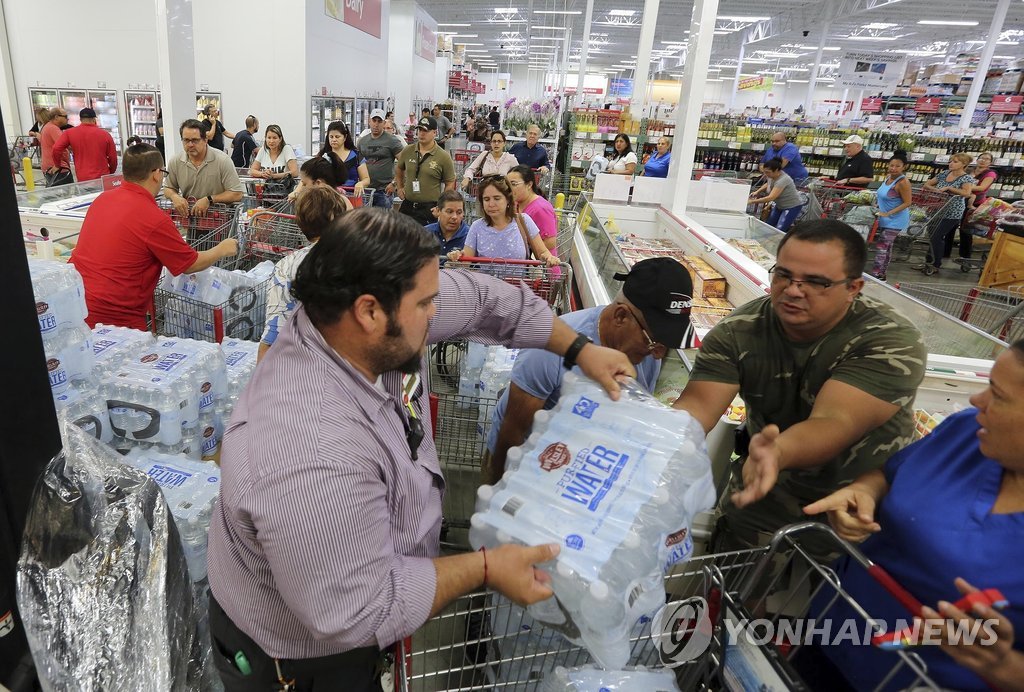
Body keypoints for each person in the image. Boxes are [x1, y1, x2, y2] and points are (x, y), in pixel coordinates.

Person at [206, 208, 636, 690]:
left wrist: (579, 349)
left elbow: (484, 301)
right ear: (369, 311)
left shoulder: (374, 318)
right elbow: (359, 610)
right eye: (427, 303)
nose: (437, 312)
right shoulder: (309, 449)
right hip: (300, 659)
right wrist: (486, 567)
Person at [672, 219, 926, 556]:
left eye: (816, 282)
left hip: (856, 510)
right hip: (760, 501)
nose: (793, 289)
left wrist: (777, 452)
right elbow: (696, 411)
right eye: (783, 275)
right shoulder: (738, 332)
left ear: (853, 288)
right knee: (732, 596)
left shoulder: (889, 339)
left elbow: (835, 422)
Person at [797, 341, 1024, 691]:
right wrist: (862, 493)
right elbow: (889, 474)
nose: (977, 400)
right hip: (832, 634)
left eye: (997, 394)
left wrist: (1006, 669)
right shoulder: (968, 433)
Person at [486, 257, 694, 484]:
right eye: (653, 342)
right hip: (525, 461)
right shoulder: (548, 351)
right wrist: (496, 496)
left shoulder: (647, 352)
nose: (658, 355)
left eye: (666, 345)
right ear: (621, 316)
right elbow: (511, 434)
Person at [69, 144, 238, 330]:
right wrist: (222, 248)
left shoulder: (102, 200)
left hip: (74, 300)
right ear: (157, 174)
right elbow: (189, 264)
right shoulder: (153, 218)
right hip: (114, 316)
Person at [258, 187, 350, 361]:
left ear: (301, 222)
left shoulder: (288, 266)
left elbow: (274, 331)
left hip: (311, 368)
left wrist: (260, 380)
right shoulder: (365, 257)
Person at [447, 176, 557, 265]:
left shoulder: (524, 221)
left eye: (497, 198)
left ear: (508, 199)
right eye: (486, 199)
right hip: (485, 289)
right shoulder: (476, 227)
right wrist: (456, 257)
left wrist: (549, 258)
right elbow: (466, 261)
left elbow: (542, 252)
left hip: (518, 288)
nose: (491, 204)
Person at [163, 119, 244, 217]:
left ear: (205, 139)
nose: (190, 145)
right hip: (190, 220)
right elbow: (168, 187)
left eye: (195, 140)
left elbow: (237, 193)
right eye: (186, 140)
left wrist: (209, 199)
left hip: (219, 221)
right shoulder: (176, 161)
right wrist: (174, 196)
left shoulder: (222, 160)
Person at [917, 153, 974, 277]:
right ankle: (929, 262)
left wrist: (949, 188)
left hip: (952, 213)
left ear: (963, 164)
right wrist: (935, 190)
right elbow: (927, 184)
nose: (951, 163)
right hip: (936, 209)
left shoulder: (966, 178)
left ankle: (936, 264)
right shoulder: (944, 173)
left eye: (955, 161)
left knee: (937, 236)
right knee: (931, 236)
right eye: (951, 161)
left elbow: (966, 193)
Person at [395, 116, 456, 226]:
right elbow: (399, 168)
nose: (422, 134)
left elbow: (450, 182)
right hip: (407, 206)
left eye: (425, 131)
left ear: (434, 133)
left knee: (424, 241)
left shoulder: (443, 156)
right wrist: (399, 187)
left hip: (428, 208)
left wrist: (442, 205)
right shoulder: (408, 150)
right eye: (420, 130)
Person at [869, 152, 913, 281]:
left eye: (897, 166)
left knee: (882, 247)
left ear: (904, 167)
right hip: (883, 218)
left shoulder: (903, 182)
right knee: (886, 248)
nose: (893, 168)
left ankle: (876, 275)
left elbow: (907, 202)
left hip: (895, 220)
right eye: (891, 165)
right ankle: (882, 274)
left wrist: (889, 213)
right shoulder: (888, 178)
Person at [49, 108, 117, 182]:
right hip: (102, 177)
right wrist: (111, 173)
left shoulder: (69, 133)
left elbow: (56, 148)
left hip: (83, 178)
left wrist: (57, 165)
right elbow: (113, 158)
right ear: (94, 119)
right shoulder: (105, 134)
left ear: (81, 119)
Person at [357, 108, 405, 208]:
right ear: (369, 121)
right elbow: (357, 164)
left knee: (384, 222)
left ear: (384, 123)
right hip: (366, 191)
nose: (376, 124)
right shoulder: (362, 142)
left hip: (384, 191)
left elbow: (404, 163)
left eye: (379, 121)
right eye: (374, 121)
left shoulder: (392, 141)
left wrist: (394, 183)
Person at [955, 151, 998, 263]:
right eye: (981, 158)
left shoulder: (990, 174)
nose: (983, 160)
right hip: (959, 199)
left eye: (987, 159)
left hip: (975, 203)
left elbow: (982, 187)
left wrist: (964, 188)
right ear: (977, 159)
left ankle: (965, 257)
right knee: (952, 225)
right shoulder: (969, 170)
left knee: (965, 229)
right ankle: (945, 252)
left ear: (990, 162)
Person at [507, 165, 558, 259]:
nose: (509, 189)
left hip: (542, 269)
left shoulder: (541, 208)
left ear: (529, 185)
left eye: (513, 184)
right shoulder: (516, 204)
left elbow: (550, 242)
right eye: (507, 185)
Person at [747, 158, 805, 233]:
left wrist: (752, 201)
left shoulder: (783, 180)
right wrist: (758, 191)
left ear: (777, 170)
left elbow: (771, 197)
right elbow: (768, 183)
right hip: (779, 205)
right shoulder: (772, 175)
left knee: (779, 229)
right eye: (765, 172)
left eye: (768, 172)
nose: (766, 174)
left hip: (791, 207)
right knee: (768, 226)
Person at [317, 120, 371, 191]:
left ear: (345, 137)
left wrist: (361, 183)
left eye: (337, 137)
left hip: (352, 196)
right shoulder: (323, 156)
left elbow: (366, 179)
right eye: (331, 137)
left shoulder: (356, 156)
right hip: (329, 196)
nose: (334, 139)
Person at [288, 154, 354, 206]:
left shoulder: (316, 206)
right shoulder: (344, 201)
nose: (301, 188)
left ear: (318, 183)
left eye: (304, 184)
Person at [424, 190, 470, 257]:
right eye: (449, 211)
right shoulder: (424, 233)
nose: (454, 217)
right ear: (438, 210)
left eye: (459, 212)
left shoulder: (470, 236)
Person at [40, 108, 71, 187]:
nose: (67, 119)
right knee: (67, 195)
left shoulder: (47, 126)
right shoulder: (53, 128)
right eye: (65, 116)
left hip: (49, 166)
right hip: (58, 168)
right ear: (56, 117)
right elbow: (61, 146)